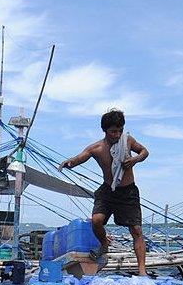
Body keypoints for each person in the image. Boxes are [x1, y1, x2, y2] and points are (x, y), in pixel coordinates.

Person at [59, 109, 149, 275]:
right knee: (97, 220)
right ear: (105, 131)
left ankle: (142, 270)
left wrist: (134, 160)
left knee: (136, 230)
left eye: (120, 130)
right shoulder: (97, 148)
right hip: (108, 190)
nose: (117, 134)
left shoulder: (127, 141)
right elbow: (80, 157)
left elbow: (144, 152)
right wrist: (69, 162)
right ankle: (104, 244)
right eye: (113, 131)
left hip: (128, 192)